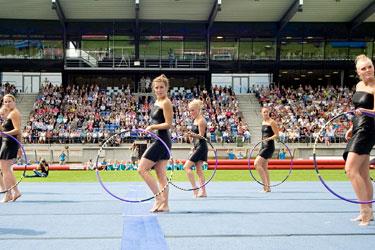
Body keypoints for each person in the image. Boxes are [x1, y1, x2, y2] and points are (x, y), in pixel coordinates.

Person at [343, 54, 375, 226]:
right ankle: (367, 210)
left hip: (369, 129)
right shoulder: (359, 85)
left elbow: (371, 111)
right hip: (359, 127)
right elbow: (357, 110)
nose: (368, 70)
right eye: (363, 68)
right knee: (363, 173)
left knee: (350, 170)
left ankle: (365, 210)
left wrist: (364, 111)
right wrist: (351, 127)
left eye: (369, 66)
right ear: (358, 72)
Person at [137, 74, 173, 213]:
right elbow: (156, 121)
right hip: (156, 138)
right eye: (156, 87)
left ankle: (158, 199)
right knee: (160, 174)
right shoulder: (156, 102)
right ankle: (165, 205)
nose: (159, 90)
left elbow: (168, 124)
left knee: (142, 169)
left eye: (161, 87)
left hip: (161, 140)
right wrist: (150, 129)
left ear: (166, 88)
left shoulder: (166, 102)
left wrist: (152, 128)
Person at [183, 99, 208, 198]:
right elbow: (195, 137)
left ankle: (195, 188)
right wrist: (190, 138)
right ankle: (203, 191)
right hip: (197, 146)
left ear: (198, 109)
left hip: (201, 146)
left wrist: (192, 134)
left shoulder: (201, 120)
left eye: (192, 110)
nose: (191, 112)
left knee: (186, 167)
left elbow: (202, 136)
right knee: (199, 170)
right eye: (190, 110)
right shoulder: (195, 120)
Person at [0, 94, 22, 202]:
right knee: (6, 170)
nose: (7, 103)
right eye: (5, 102)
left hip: (9, 143)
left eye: (9, 101)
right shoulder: (10, 113)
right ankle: (15, 191)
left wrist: (4, 133)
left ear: (14, 101)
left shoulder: (14, 113)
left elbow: (17, 130)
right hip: (8, 142)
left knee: (5, 170)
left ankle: (8, 194)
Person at [254, 107, 279, 193]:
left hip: (269, 146)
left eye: (267, 112)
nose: (266, 113)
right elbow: (264, 135)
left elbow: (277, 135)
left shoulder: (272, 122)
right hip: (263, 146)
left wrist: (268, 139)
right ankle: (268, 187)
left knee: (256, 164)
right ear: (261, 113)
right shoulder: (263, 122)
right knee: (264, 167)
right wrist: (262, 143)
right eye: (264, 112)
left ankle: (265, 187)